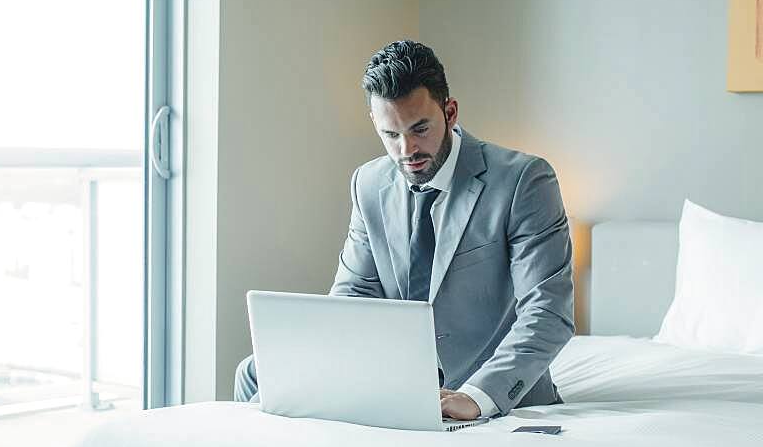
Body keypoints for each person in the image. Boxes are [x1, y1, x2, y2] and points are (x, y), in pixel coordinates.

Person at [234, 40, 574, 420]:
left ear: (451, 111)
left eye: (420, 129)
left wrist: (478, 397)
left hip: (488, 392)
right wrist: (315, 365)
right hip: (392, 386)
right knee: (255, 373)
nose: (406, 149)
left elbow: (547, 312)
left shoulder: (523, 180)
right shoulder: (368, 183)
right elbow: (355, 294)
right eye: (390, 134)